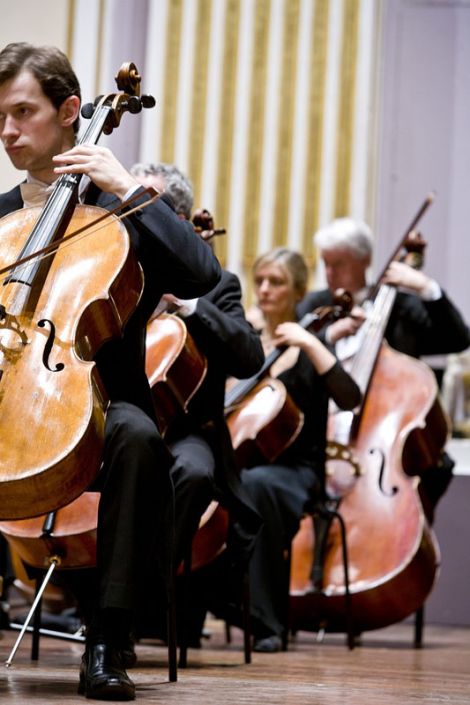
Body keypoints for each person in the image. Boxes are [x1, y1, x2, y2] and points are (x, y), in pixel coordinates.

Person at [0, 42, 221, 701]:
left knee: (138, 438)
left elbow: (203, 274)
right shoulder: (3, 212)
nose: (8, 131)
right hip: (10, 385)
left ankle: (107, 636)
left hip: (92, 403)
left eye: (22, 112)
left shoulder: (121, 206)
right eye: (1, 117)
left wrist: (127, 185)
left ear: (71, 111)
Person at [130, 162, 264, 645]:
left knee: (191, 474)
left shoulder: (216, 284)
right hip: (123, 417)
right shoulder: (116, 273)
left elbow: (250, 355)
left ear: (178, 221)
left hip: (189, 430)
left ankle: (138, 600)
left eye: (148, 208)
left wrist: (189, 307)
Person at [297, 217, 470, 518]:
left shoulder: (401, 308)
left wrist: (426, 287)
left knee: (436, 467)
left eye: (338, 264)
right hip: (321, 439)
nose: (329, 274)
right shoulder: (315, 307)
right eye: (325, 263)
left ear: (364, 261)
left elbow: (457, 339)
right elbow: (294, 361)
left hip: (383, 445)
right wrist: (327, 336)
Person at [235, 248, 361, 653]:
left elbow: (349, 397)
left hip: (297, 472)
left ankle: (267, 623)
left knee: (256, 487)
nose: (265, 290)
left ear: (300, 292)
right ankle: (185, 614)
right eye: (260, 281)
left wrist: (310, 341)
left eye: (277, 282)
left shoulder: (310, 342)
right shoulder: (247, 338)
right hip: (244, 459)